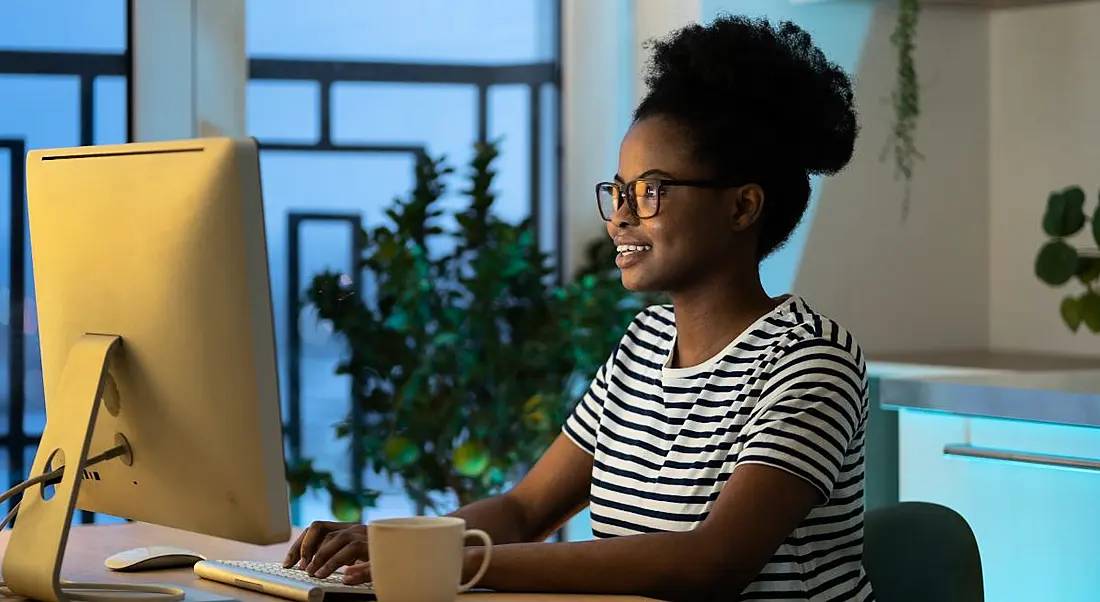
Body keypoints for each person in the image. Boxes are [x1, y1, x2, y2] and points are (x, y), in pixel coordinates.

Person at [284, 14, 870, 602]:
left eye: (652, 191)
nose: (620, 217)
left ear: (742, 207)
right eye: (618, 191)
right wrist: (393, 542)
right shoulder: (644, 344)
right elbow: (522, 510)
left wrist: (454, 566)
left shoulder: (811, 363)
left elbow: (710, 564)